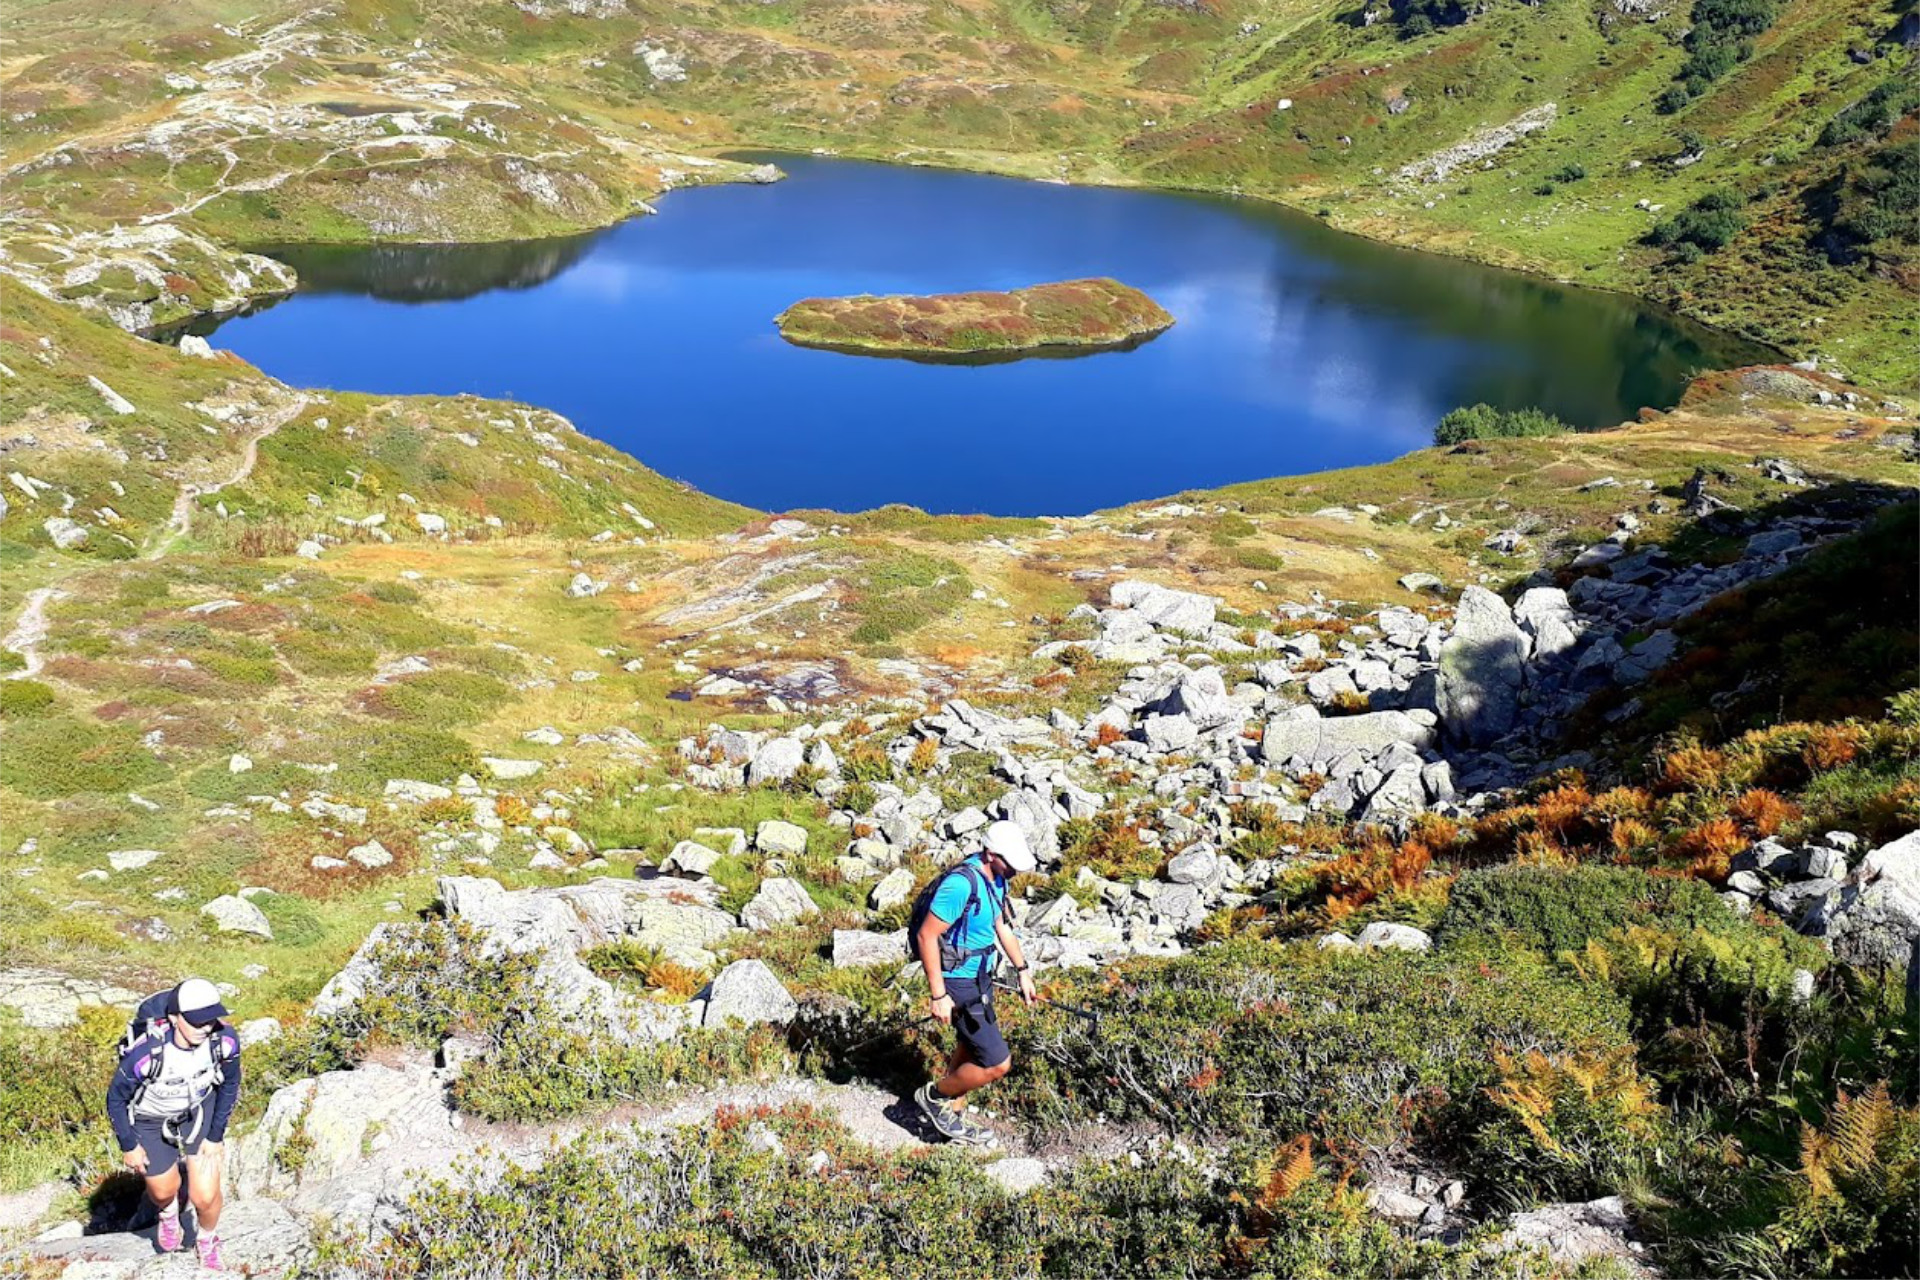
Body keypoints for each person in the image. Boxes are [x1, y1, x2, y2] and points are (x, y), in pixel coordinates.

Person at [913, 819, 1039, 1146]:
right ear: (990, 853)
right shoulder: (960, 885)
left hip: (982, 976)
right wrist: (938, 994)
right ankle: (933, 1098)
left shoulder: (997, 880)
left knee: (970, 1044)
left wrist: (1022, 970)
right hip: (958, 981)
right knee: (997, 1063)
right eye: (1010, 863)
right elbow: (927, 935)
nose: (1016, 870)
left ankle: (947, 1114)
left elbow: (1001, 926)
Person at [106, 977, 241, 1270]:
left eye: (211, 1019)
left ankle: (207, 1240)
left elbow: (230, 1083)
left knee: (205, 1196)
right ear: (174, 1019)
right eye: (197, 1022)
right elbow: (115, 1100)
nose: (206, 1027)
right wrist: (129, 1145)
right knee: (161, 1191)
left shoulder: (224, 1042)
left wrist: (215, 1136)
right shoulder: (146, 1055)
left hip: (197, 1110)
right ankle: (169, 1211)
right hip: (150, 1118)